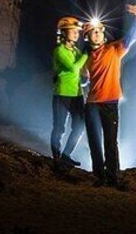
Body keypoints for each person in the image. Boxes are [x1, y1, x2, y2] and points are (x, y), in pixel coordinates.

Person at [83, 4, 136, 187]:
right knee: (94, 141)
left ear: (103, 34)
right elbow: (84, 80)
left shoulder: (114, 50)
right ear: (88, 37)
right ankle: (99, 176)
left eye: (99, 31)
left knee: (110, 142)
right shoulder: (85, 59)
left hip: (110, 102)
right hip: (92, 104)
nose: (97, 34)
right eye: (93, 32)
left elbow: (130, 38)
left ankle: (112, 177)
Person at [51, 16, 88, 168]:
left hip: (77, 94)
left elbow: (82, 67)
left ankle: (66, 155)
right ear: (64, 33)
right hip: (62, 94)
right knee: (60, 127)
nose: (75, 34)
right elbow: (74, 67)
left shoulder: (76, 50)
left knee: (79, 126)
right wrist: (86, 53)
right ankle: (56, 157)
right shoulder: (59, 51)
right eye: (72, 31)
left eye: (77, 31)